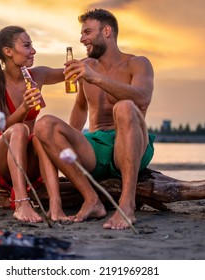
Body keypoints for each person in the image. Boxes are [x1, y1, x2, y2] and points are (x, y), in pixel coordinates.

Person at [34, 9, 155, 230]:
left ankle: (126, 205)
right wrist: (64, 143)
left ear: (107, 31)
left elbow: (143, 98)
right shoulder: (84, 66)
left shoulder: (137, 63)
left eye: (87, 32)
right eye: (81, 33)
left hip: (130, 144)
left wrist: (95, 78)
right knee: (44, 125)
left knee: (125, 107)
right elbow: (80, 107)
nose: (82, 39)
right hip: (95, 147)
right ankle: (92, 200)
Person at [0, 26, 64, 223]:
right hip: (0, 155)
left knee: (42, 134)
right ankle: (22, 203)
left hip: (28, 157)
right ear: (8, 51)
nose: (33, 50)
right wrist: (24, 108)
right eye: (27, 45)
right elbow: (2, 127)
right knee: (19, 128)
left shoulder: (37, 75)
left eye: (32, 45)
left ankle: (56, 206)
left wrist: (93, 55)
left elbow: (71, 72)